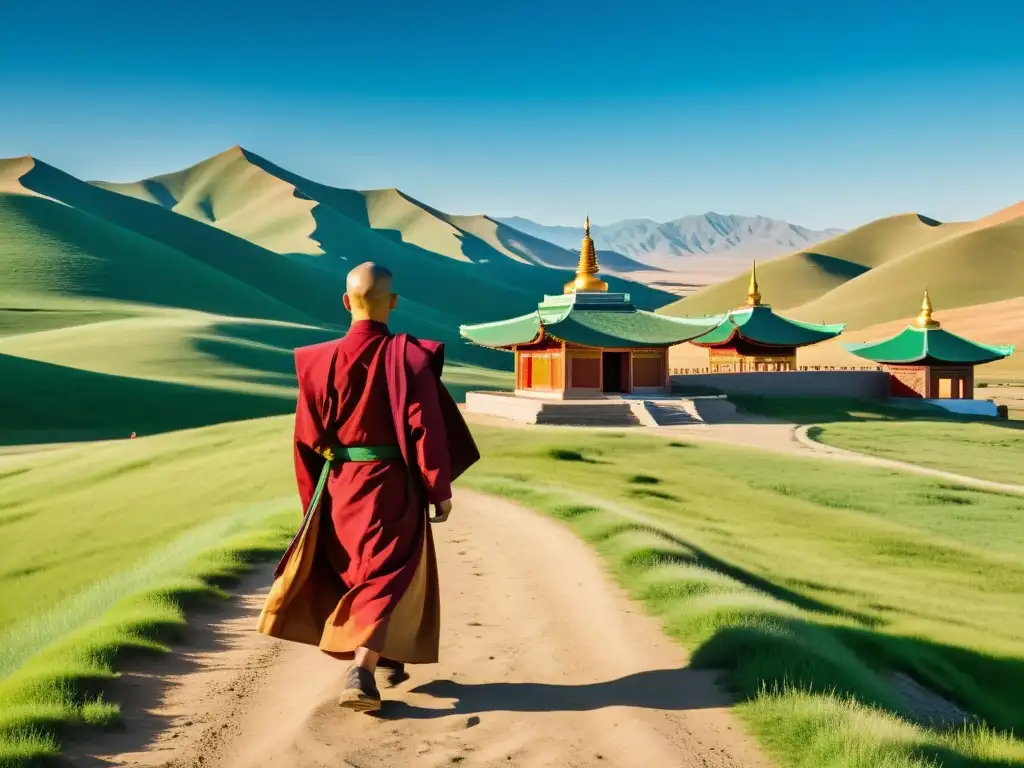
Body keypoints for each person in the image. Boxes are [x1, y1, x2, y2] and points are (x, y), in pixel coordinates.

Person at [257, 261, 479, 713]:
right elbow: (425, 429)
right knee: (387, 574)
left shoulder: (318, 363)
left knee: (361, 573)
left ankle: (390, 657)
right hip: (391, 486)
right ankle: (361, 672)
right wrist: (438, 488)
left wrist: (313, 501)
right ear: (392, 303)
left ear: (346, 301)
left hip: (340, 487)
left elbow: (306, 438)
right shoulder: (407, 356)